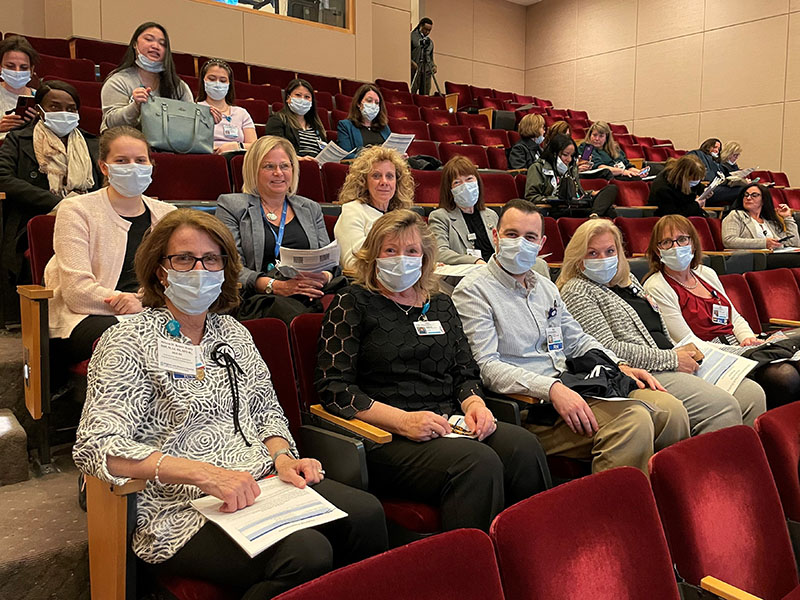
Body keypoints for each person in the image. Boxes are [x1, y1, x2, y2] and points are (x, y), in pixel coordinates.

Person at [73, 209, 388, 598]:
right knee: (305, 554)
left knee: (366, 514)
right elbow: (96, 446)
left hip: (260, 483)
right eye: (184, 259)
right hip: (177, 505)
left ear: (225, 268)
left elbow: (266, 410)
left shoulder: (233, 332)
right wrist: (206, 474)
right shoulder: (128, 341)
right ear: (160, 270)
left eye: (211, 259)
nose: (200, 269)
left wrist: (283, 457)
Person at [316, 209, 550, 532]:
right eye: (390, 251)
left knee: (524, 448)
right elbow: (335, 390)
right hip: (388, 435)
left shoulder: (440, 304)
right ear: (373, 256)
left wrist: (476, 406)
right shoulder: (352, 303)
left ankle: (532, 551)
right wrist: (404, 421)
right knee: (476, 463)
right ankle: (466, 572)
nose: (402, 259)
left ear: (425, 258)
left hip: (449, 423)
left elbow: (464, 372)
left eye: (411, 251)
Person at [452, 199, 691, 475]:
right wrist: (551, 389)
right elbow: (487, 366)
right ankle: (612, 515)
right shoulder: (474, 290)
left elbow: (577, 340)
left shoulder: (545, 287)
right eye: (512, 235)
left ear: (541, 243)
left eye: (529, 237)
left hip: (573, 386)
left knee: (672, 411)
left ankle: (656, 503)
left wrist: (618, 364)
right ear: (495, 236)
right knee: (632, 422)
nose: (520, 243)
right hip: (532, 404)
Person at [557, 219, 765, 435]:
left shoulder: (627, 280)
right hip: (644, 369)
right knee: (722, 406)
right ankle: (707, 468)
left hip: (670, 357)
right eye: (592, 253)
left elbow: (657, 331)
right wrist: (673, 358)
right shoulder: (578, 290)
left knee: (752, 394)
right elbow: (607, 349)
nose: (604, 259)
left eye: (610, 251)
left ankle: (746, 465)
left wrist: (681, 351)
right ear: (578, 257)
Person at [44, 126, 174, 363]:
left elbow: (176, 279)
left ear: (151, 165)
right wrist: (127, 303)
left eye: (140, 160)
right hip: (88, 315)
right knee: (135, 338)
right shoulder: (76, 210)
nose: (133, 167)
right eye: (122, 161)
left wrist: (142, 301)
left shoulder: (168, 215)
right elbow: (77, 292)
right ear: (104, 166)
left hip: (150, 308)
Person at [642, 215, 800, 408]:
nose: (676, 247)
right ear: (657, 250)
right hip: (711, 357)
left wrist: (748, 339)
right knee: (785, 377)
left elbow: (734, 316)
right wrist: (745, 351)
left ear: (692, 243)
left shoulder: (705, 273)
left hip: (741, 348)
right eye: (667, 242)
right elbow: (688, 342)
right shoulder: (657, 286)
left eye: (682, 239)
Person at [215, 136, 337, 324]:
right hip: (260, 296)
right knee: (293, 312)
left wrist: (323, 277)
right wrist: (275, 286)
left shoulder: (310, 208)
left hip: (311, 290)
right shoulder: (232, 206)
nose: (278, 173)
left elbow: (329, 261)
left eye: (285, 166)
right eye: (269, 167)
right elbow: (231, 267)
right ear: (254, 170)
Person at [0, 80, 103, 291]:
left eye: (71, 108)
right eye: (55, 107)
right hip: (34, 218)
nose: (64, 113)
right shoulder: (19, 139)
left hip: (88, 220)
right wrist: (58, 203)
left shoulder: (93, 144)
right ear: (39, 110)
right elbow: (3, 176)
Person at [428, 155, 549, 276]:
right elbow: (440, 252)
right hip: (469, 273)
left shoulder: (490, 215)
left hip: (498, 267)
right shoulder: (440, 217)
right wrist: (475, 261)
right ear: (449, 190)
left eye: (469, 179)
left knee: (539, 264)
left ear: (477, 182)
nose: (465, 186)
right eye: (457, 182)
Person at [100, 22, 193, 132]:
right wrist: (135, 106)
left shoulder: (178, 86)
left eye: (162, 44)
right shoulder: (118, 80)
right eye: (149, 39)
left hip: (169, 144)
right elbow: (112, 123)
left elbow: (190, 122)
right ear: (135, 44)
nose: (155, 46)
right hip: (127, 142)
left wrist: (207, 117)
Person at [334, 146, 414, 271]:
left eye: (390, 176)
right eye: (376, 176)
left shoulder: (401, 214)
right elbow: (352, 263)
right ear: (364, 181)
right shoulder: (352, 210)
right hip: (368, 285)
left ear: (397, 182)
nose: (384, 182)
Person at [524, 133, 618, 218]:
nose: (569, 159)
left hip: (575, 204)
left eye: (572, 156)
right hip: (557, 208)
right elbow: (531, 197)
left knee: (612, 189)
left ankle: (594, 215)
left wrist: (590, 193)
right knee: (609, 211)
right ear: (554, 153)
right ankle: (594, 215)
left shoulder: (572, 168)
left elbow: (577, 192)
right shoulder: (537, 167)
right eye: (565, 155)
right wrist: (556, 199)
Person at [196, 58, 256, 154]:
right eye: (212, 79)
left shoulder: (241, 113)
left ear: (229, 84)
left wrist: (235, 146)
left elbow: (254, 146)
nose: (217, 84)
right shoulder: (194, 109)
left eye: (223, 80)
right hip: (207, 158)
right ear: (203, 80)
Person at [265, 78, 327, 160]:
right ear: (288, 98)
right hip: (294, 166)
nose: (302, 99)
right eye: (298, 95)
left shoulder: (316, 125)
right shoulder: (277, 119)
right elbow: (275, 148)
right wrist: (299, 159)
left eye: (307, 97)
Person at [0, 35, 39, 139]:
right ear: (1, 67)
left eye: (23, 67)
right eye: (10, 66)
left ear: (31, 70)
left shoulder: (40, 97)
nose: (17, 71)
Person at [336, 84, 390, 154]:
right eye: (369, 101)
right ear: (358, 103)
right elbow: (345, 155)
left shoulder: (384, 127)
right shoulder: (345, 126)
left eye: (377, 103)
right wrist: (373, 158)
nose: (373, 105)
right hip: (362, 164)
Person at [577, 121, 642, 178]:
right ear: (590, 135)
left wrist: (639, 172)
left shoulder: (614, 148)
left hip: (621, 175)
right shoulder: (587, 148)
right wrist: (622, 171)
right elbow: (600, 168)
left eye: (601, 136)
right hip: (607, 178)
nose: (597, 139)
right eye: (594, 135)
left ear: (607, 138)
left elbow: (627, 166)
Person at [410, 18, 436, 95]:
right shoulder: (412, 36)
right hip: (415, 69)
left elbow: (430, 57)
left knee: (425, 94)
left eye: (429, 30)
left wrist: (433, 66)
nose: (427, 32)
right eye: (425, 29)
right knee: (413, 92)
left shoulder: (430, 42)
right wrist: (411, 63)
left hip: (426, 71)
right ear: (420, 26)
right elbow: (406, 53)